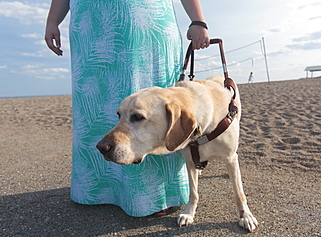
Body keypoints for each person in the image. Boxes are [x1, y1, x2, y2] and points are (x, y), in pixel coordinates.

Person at [45, 0, 209, 217]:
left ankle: (155, 196)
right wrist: (52, 21)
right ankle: (97, 189)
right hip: (91, 29)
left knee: (152, 109)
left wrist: (198, 20)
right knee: (96, 105)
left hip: (143, 23)